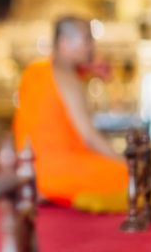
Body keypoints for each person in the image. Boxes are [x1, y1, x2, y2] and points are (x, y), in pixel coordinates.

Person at [13, 16, 128, 205]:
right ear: (64, 43)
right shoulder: (66, 77)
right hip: (55, 172)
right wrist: (125, 164)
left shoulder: (34, 69)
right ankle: (50, 191)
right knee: (128, 176)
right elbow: (88, 136)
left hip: (26, 169)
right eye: (87, 40)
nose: (92, 46)